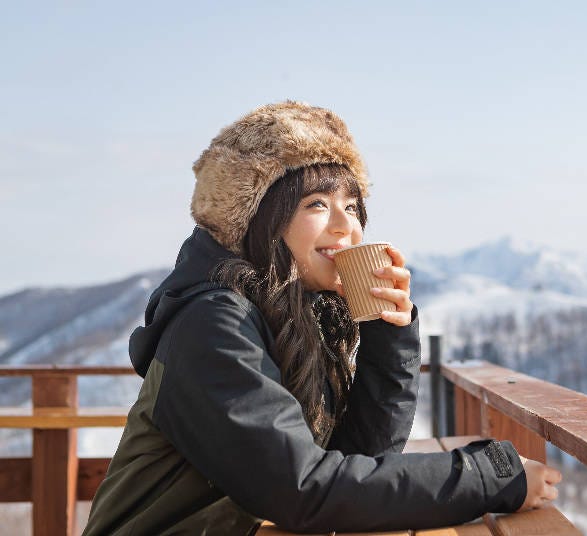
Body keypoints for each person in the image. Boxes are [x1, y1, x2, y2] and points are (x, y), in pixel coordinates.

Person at [83, 101, 562, 536]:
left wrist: (384, 333)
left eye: (351, 206)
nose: (345, 227)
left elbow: (360, 461)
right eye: (316, 205)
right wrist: (487, 475)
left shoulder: (295, 315)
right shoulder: (214, 324)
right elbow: (303, 491)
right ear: (258, 219)